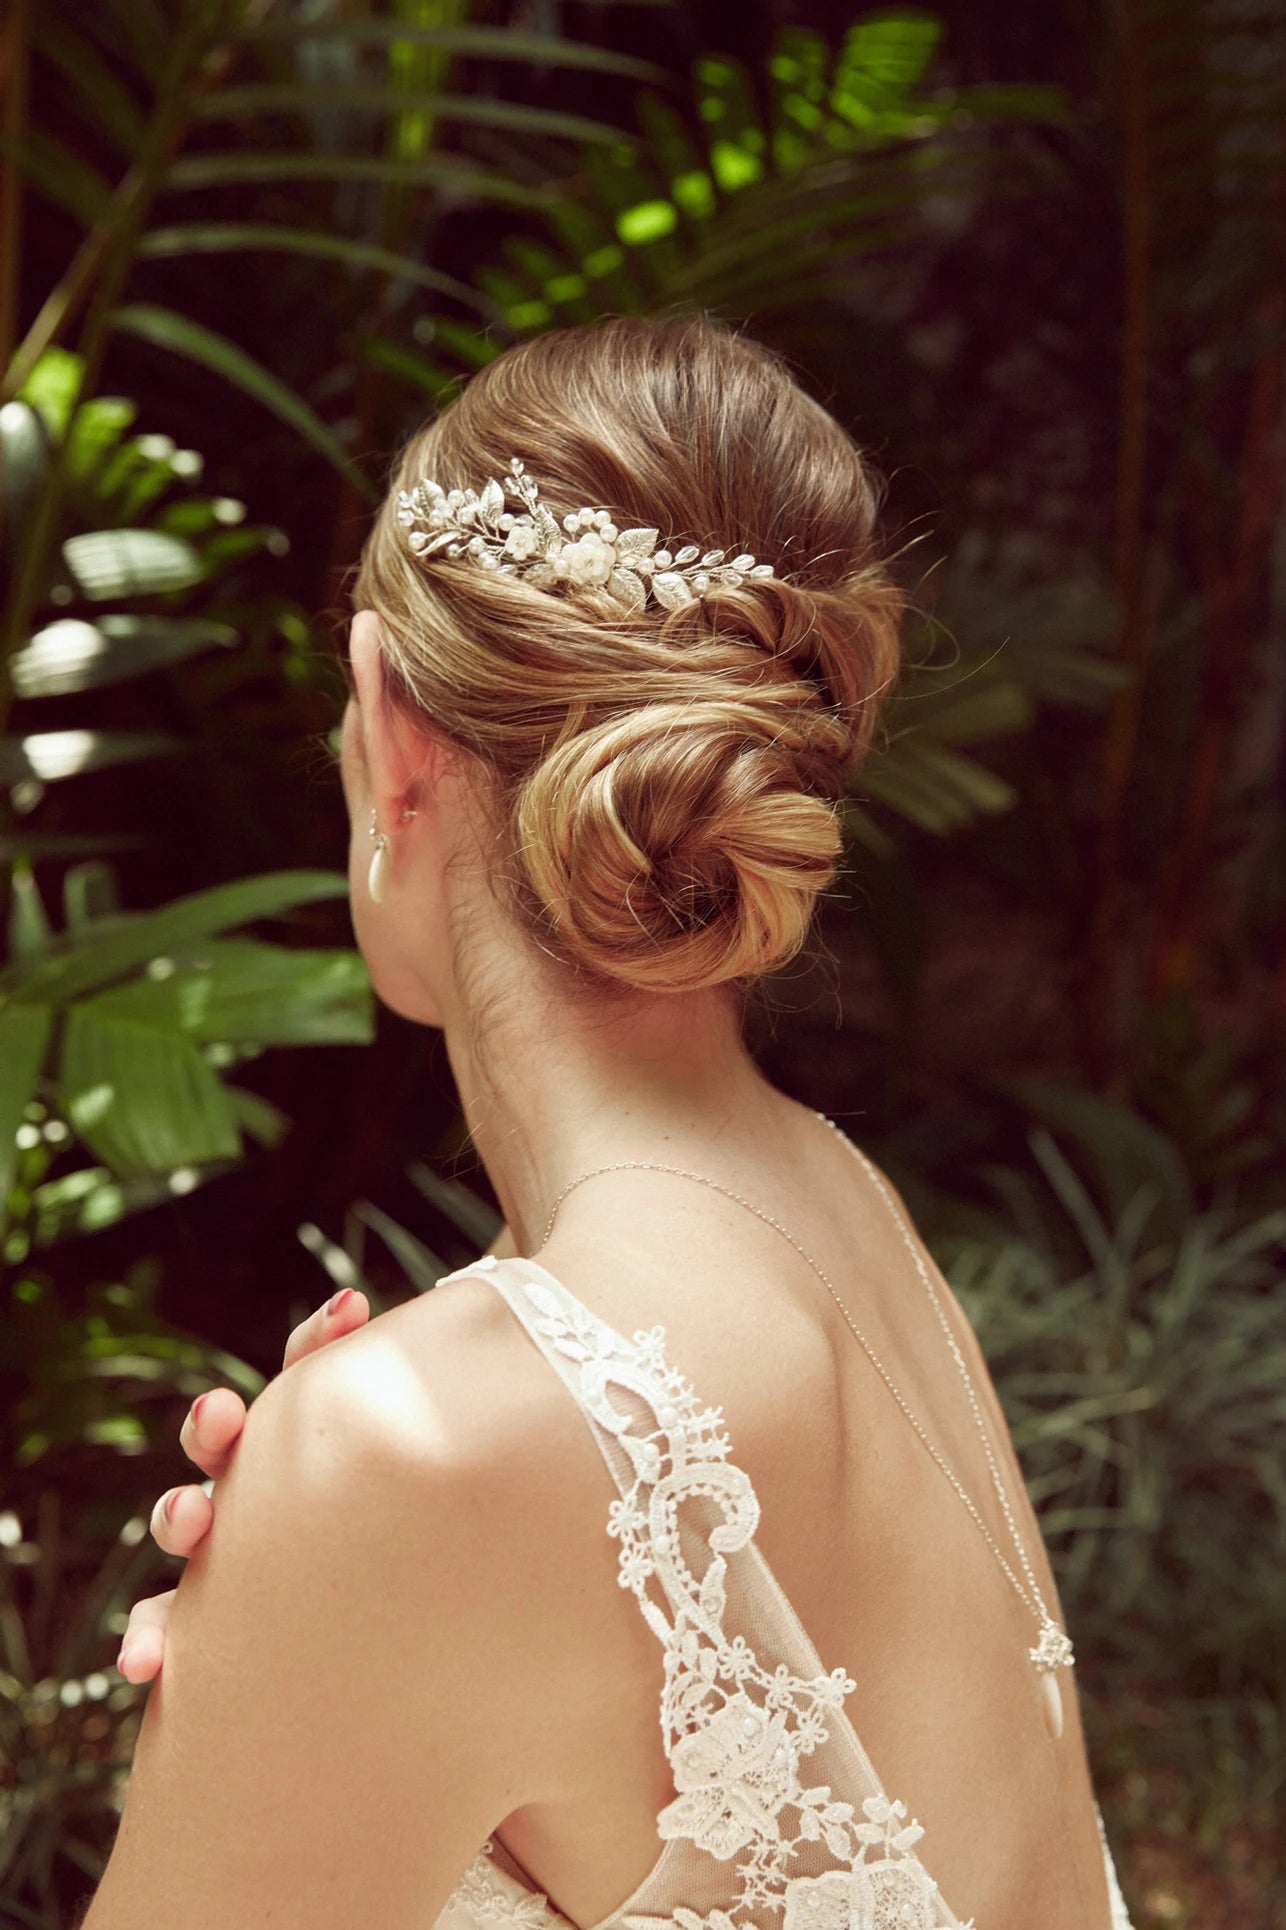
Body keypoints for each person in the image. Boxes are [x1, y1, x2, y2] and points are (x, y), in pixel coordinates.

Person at [84, 315, 1133, 1930]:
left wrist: (324, 1542)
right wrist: (318, 1598)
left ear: (394, 728)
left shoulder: (418, 1453)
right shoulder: (838, 1212)